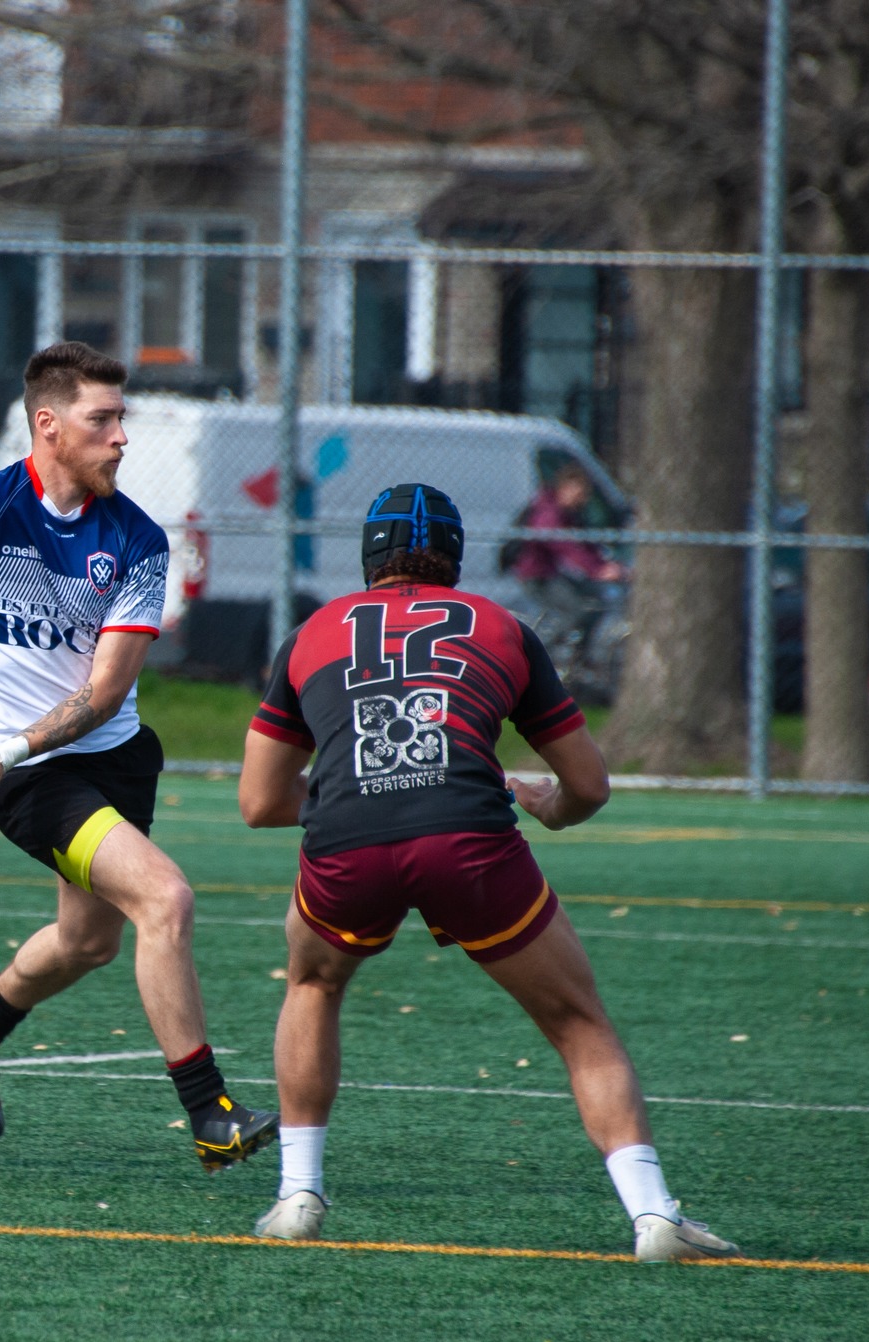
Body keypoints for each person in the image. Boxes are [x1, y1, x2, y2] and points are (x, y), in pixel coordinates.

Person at [237, 482, 738, 1261]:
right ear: (457, 557)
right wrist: (546, 805)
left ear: (369, 556)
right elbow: (590, 785)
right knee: (577, 1020)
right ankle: (653, 1215)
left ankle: (298, 1192)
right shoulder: (503, 626)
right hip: (468, 835)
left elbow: (261, 801)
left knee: (313, 981)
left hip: (347, 839)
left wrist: (359, 788)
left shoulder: (311, 633)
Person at [0, 341, 278, 1171]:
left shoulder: (139, 541)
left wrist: (6, 745)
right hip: (28, 783)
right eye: (101, 420)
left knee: (87, 942)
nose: (120, 438)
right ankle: (210, 1112)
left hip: (103, 757)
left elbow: (104, 693)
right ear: (47, 424)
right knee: (166, 899)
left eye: (122, 420)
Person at [510, 464, 626, 670]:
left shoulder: (568, 513)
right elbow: (565, 545)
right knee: (576, 610)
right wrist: (596, 570)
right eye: (579, 493)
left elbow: (585, 545)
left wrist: (606, 566)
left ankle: (580, 659)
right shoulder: (548, 511)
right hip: (537, 576)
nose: (582, 500)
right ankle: (537, 655)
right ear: (565, 488)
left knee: (597, 602)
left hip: (552, 574)